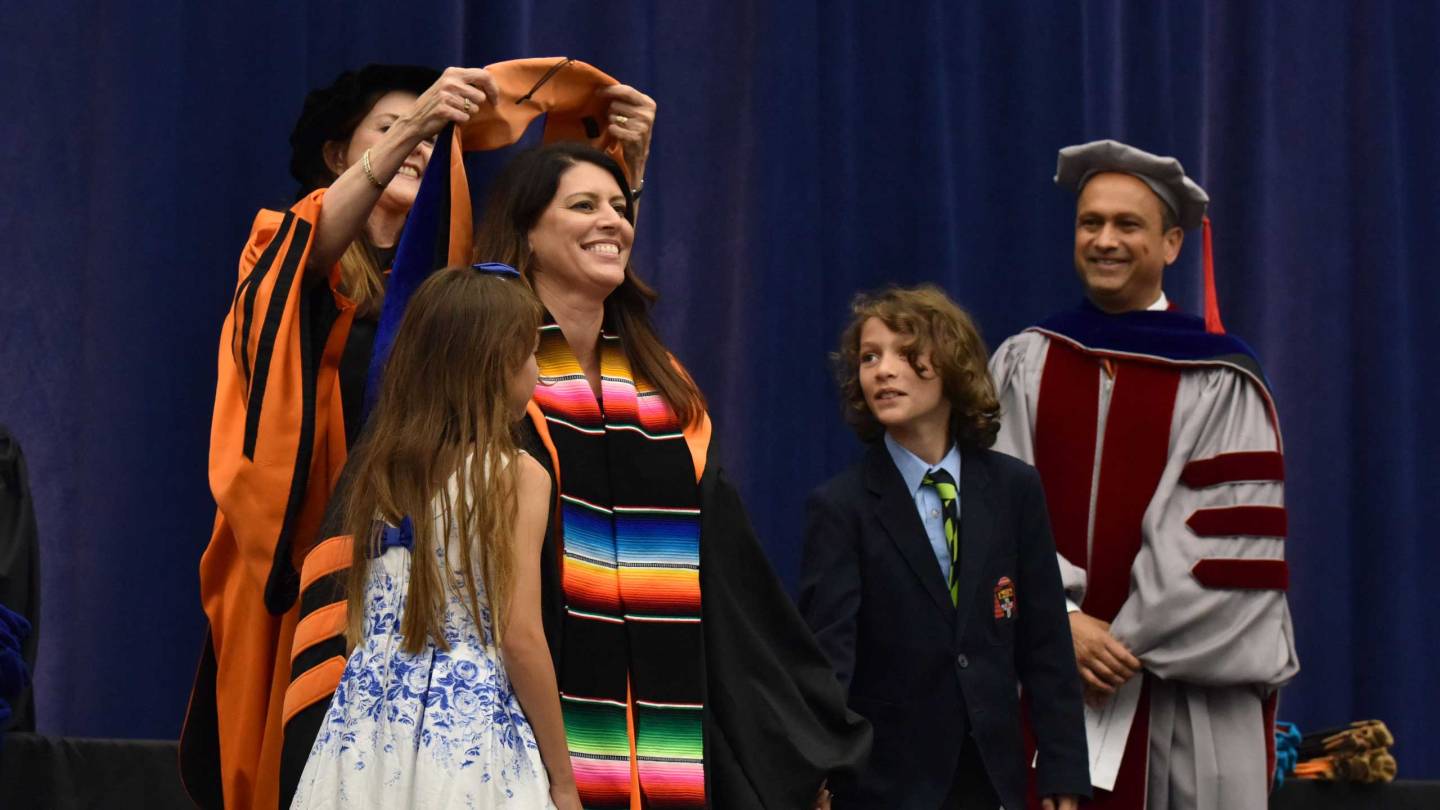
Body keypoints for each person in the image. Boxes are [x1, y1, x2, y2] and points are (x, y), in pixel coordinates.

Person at [181, 60, 659, 810]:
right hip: (312, 561)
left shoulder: (458, 283)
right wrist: (421, 122)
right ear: (341, 154)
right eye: (393, 128)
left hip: (448, 596)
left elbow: (565, 289)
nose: (419, 147)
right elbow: (287, 292)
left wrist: (620, 167)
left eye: (435, 139)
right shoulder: (289, 256)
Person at [472, 141, 871, 810]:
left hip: (669, 747)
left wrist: (796, 743)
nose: (614, 222)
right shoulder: (484, 380)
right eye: (583, 205)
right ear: (527, 234)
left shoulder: (664, 393)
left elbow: (732, 583)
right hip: (513, 743)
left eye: (620, 208)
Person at [988, 140, 1300, 810]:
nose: (1104, 240)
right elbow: (992, 515)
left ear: (1172, 245)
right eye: (1089, 222)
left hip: (1181, 710)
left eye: (1127, 225)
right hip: (1044, 689)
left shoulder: (1222, 379)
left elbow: (1224, 551)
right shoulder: (1025, 361)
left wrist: (1107, 647)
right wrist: (1060, 621)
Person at [289, 265, 579, 809]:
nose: (538, 373)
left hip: (364, 739)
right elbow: (520, 636)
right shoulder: (516, 475)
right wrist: (563, 780)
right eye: (530, 355)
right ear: (495, 367)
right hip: (465, 739)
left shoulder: (380, 471)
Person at [799, 285, 1088, 810]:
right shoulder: (841, 507)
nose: (883, 370)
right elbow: (828, 658)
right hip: (885, 785)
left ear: (954, 365)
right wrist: (819, 770)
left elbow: (1047, 644)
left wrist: (1062, 771)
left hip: (992, 779)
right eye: (869, 357)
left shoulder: (1014, 489)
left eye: (906, 354)